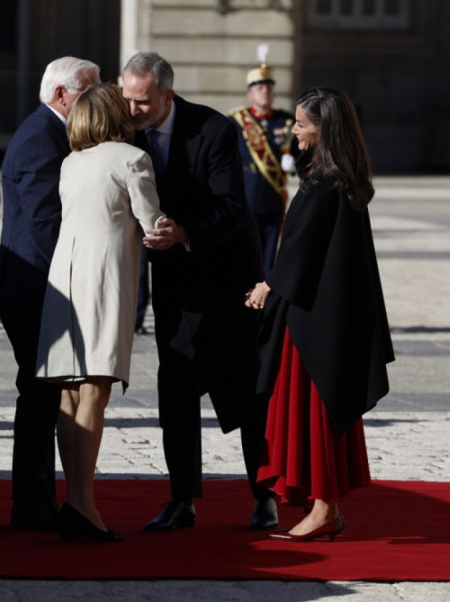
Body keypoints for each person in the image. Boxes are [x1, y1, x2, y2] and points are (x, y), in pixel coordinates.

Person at [120, 51, 277, 532]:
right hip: (174, 283)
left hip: (227, 279)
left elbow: (232, 207)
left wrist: (185, 233)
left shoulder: (213, 130)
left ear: (167, 94)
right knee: (178, 392)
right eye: (126, 99)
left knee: (246, 392)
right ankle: (182, 498)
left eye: (142, 101)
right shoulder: (125, 130)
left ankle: (265, 494)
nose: (131, 111)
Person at [245, 87, 394, 541]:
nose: (295, 128)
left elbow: (300, 250)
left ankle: (325, 506)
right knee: (318, 409)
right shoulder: (340, 176)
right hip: (328, 313)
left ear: (323, 129)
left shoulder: (322, 183)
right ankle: (323, 504)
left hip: (312, 318)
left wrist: (268, 284)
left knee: (313, 408)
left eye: (302, 123)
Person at [35, 83, 167, 542]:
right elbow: (152, 223)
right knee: (94, 391)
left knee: (70, 396)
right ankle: (83, 504)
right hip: (103, 279)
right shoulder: (130, 158)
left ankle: (76, 498)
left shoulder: (72, 162)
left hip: (65, 278)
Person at [0, 56, 101, 530]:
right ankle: (31, 503)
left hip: (40, 286)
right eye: (89, 92)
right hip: (35, 286)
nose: (97, 100)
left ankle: (35, 499)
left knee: (42, 392)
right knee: (38, 394)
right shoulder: (41, 138)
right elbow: (43, 224)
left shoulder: (52, 132)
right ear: (63, 95)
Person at [229, 44, 298, 275]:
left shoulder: (286, 121)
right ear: (249, 93)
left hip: (272, 197)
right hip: (245, 197)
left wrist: (294, 160)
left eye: (268, 86)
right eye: (259, 87)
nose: (265, 91)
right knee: (243, 254)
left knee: (269, 255)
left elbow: (300, 153)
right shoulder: (237, 121)